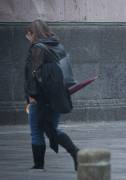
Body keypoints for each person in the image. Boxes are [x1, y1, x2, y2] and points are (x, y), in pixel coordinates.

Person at [24, 19, 79, 170]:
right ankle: (75, 153)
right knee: (52, 129)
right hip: (57, 96)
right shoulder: (58, 45)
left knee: (36, 131)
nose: (27, 38)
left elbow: (32, 75)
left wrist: (31, 96)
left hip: (39, 97)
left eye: (27, 35)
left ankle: (38, 165)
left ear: (32, 33)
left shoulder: (37, 48)